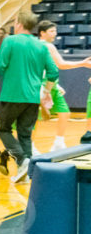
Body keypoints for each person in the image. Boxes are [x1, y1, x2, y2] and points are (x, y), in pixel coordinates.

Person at [0, 10, 58, 183]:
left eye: (15, 21)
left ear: (20, 24)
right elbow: (53, 72)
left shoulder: (10, 41)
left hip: (12, 95)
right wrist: (46, 92)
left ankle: (22, 161)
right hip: (32, 98)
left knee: (3, 129)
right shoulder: (41, 46)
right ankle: (26, 174)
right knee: (24, 134)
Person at [36, 20, 91, 151]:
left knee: (64, 113)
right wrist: (82, 63)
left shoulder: (39, 45)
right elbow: (61, 64)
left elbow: (48, 68)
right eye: (51, 31)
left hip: (50, 82)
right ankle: (31, 145)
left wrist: (56, 84)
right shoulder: (47, 46)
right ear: (42, 33)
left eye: (55, 31)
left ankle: (58, 143)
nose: (55, 34)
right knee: (35, 117)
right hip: (42, 84)